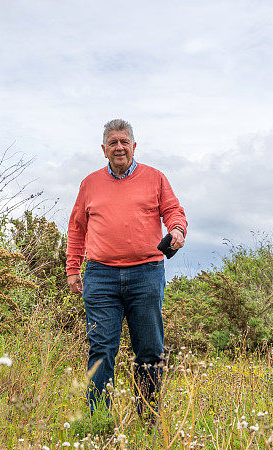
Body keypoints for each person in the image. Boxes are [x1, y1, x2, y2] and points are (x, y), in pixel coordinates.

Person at [66, 119, 187, 418]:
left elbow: (173, 210)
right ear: (104, 150)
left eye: (124, 142)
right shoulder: (89, 183)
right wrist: (72, 268)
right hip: (100, 276)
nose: (119, 147)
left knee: (148, 350)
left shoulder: (155, 178)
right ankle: (98, 420)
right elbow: (77, 228)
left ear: (134, 146)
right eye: (112, 143)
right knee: (101, 351)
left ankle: (147, 418)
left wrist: (177, 230)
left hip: (146, 274)